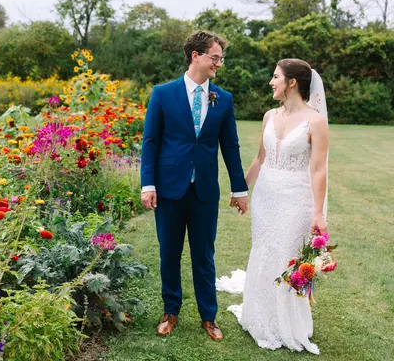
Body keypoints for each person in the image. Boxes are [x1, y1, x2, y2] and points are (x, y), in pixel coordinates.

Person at [140, 30, 249, 340]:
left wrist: (240, 189)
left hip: (204, 192)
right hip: (169, 189)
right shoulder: (163, 94)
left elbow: (231, 147)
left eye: (221, 59)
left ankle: (209, 317)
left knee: (204, 255)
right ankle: (170, 311)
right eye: (215, 58)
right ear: (195, 56)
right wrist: (148, 184)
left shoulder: (223, 99)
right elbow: (150, 142)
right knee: (169, 253)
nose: (219, 64)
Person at [217, 58, 329, 354]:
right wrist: (241, 189)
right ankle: (258, 315)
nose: (271, 81)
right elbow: (260, 159)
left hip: (296, 198)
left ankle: (285, 323)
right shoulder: (269, 116)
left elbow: (319, 169)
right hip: (265, 196)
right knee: (263, 249)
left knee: (285, 256)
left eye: (276, 76)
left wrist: (318, 212)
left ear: (292, 82)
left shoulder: (315, 121)